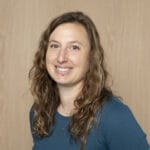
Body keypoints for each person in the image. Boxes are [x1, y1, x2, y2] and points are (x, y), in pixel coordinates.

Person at [29, 11, 149, 150]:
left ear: (91, 58)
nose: (61, 58)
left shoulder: (114, 117)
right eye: (55, 46)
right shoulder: (39, 112)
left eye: (74, 47)